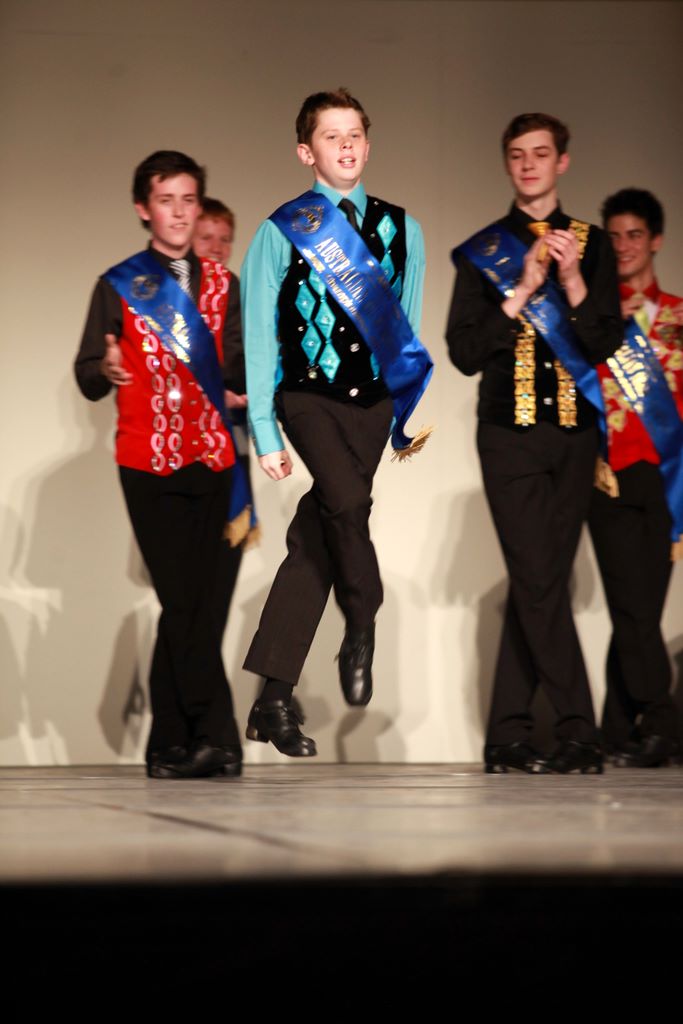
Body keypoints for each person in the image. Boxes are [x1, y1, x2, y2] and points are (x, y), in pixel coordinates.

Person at [241, 87, 431, 757]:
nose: (345, 145)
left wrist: (400, 410)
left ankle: (272, 699)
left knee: (318, 537)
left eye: (354, 134)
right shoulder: (280, 228)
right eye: (331, 136)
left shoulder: (404, 228)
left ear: (367, 145)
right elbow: (258, 334)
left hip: (371, 406)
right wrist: (264, 430)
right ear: (306, 152)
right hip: (307, 398)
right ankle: (362, 622)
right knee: (347, 506)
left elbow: (403, 329)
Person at [446, 113, 621, 774]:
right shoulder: (482, 251)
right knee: (539, 578)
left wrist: (572, 283)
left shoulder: (593, 246)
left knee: (538, 582)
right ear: (506, 163)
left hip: (574, 437)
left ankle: (507, 734)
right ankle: (579, 729)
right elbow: (463, 352)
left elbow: (603, 342)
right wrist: (520, 290)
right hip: (507, 437)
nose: (528, 165)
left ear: (561, 163)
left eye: (540, 154)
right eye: (517, 154)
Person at [75, 151, 244, 779]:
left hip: (214, 459)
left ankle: (169, 741)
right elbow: (87, 373)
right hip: (147, 462)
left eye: (188, 200)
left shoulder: (225, 285)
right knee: (181, 599)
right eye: (166, 201)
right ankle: (214, 735)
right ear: (143, 209)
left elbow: (237, 363)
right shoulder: (119, 284)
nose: (179, 213)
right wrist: (106, 367)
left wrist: (242, 388)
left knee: (197, 606)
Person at [588, 188, 683, 767]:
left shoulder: (679, 315)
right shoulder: (593, 318)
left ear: (656, 240)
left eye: (634, 235)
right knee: (630, 604)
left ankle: (617, 728)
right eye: (614, 237)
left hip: (670, 480)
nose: (624, 246)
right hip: (611, 478)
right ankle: (662, 721)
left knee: (641, 608)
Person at [192, 198, 255, 636]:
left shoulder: (236, 292)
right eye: (206, 238)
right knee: (186, 596)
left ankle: (204, 678)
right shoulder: (167, 300)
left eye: (225, 239)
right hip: (184, 452)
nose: (216, 247)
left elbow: (246, 363)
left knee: (219, 585)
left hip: (232, 446)